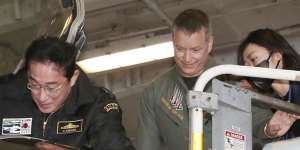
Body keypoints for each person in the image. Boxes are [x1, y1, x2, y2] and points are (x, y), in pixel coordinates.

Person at [137, 9, 271, 150]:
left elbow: (263, 124)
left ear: (209, 44)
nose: (187, 58)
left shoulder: (233, 81)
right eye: (180, 49)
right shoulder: (154, 93)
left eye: (195, 50)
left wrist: (270, 128)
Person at [0, 37, 135, 150]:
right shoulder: (6, 96)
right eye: (34, 85)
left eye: (52, 87)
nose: (42, 97)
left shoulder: (96, 107)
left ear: (73, 78)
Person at [237, 28, 300, 140]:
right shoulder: (271, 105)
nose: (251, 70)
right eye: (246, 68)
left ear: (277, 56)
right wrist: (272, 132)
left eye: (254, 59)